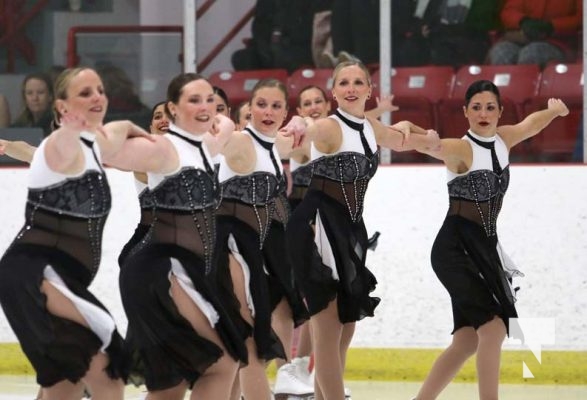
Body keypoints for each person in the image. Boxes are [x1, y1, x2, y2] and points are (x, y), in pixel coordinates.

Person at [280, 60, 441, 400]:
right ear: (334, 92)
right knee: (328, 327)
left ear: (369, 90)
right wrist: (298, 123)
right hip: (318, 223)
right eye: (343, 83)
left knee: (346, 325)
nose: (351, 88)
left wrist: (430, 140)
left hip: (351, 228)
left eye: (358, 82)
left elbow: (400, 140)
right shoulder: (330, 126)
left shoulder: (369, 127)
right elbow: (305, 129)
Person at [0, 66, 156, 400]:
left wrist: (130, 126)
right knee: (108, 360)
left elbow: (112, 135)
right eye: (84, 93)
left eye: (99, 90)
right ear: (62, 108)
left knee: (66, 380)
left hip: (55, 275)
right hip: (35, 272)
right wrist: (72, 129)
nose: (96, 97)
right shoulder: (59, 145)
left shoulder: (94, 145)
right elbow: (67, 143)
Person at [412, 80, 569, 400]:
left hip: (484, 247)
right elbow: (434, 147)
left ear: (499, 112)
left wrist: (553, 112)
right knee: (493, 327)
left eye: (490, 107)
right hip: (455, 247)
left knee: (468, 339)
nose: (483, 113)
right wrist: (424, 139)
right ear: (465, 112)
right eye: (476, 107)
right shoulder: (461, 148)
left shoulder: (504, 139)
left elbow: (530, 124)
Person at [118, 73, 248, 400]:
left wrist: (226, 125)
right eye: (194, 100)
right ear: (173, 109)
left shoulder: (204, 147)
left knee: (172, 382)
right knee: (222, 361)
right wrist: (125, 128)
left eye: (209, 100)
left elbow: (226, 128)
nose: (205, 107)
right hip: (162, 269)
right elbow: (107, 152)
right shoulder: (164, 147)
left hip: (186, 268)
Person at [213, 78, 310, 400]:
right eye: (261, 104)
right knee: (249, 339)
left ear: (284, 111)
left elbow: (307, 130)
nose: (268, 111)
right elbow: (210, 139)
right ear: (249, 109)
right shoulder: (240, 141)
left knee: (239, 344)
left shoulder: (273, 146)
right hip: (227, 246)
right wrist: (222, 123)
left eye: (276, 106)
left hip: (251, 248)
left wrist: (302, 121)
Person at [392, 0, 501, 67]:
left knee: (443, 49)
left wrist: (440, 30)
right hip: (438, 37)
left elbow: (480, 25)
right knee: (405, 48)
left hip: (471, 38)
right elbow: (423, 20)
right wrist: (423, 30)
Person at [487, 0, 583, 67]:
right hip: (522, 36)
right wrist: (523, 21)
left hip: (559, 41)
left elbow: (581, 16)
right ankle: (506, 94)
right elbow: (509, 10)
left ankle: (529, 95)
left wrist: (551, 25)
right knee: (501, 53)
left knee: (532, 53)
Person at [10, 72, 54, 137]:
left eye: (40, 92)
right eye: (29, 93)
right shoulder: (17, 127)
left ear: (50, 96)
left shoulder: (59, 125)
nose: (35, 98)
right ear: (24, 97)